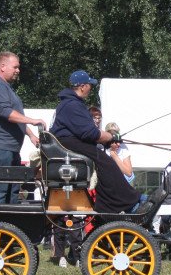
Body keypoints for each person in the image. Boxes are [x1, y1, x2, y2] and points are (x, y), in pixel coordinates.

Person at [50, 70, 140, 214]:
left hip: (69, 142)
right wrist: (110, 137)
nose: (90, 88)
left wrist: (107, 140)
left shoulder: (69, 103)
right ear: (82, 86)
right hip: (69, 143)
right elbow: (90, 132)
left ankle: (109, 203)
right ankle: (126, 201)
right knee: (106, 162)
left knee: (103, 161)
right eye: (89, 85)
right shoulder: (72, 105)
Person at [0, 51, 46, 204]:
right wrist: (32, 121)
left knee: (13, 189)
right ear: (2, 66)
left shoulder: (5, 87)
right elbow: (6, 112)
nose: (18, 70)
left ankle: (9, 226)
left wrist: (30, 135)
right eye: (15, 67)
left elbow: (14, 117)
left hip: (8, 148)